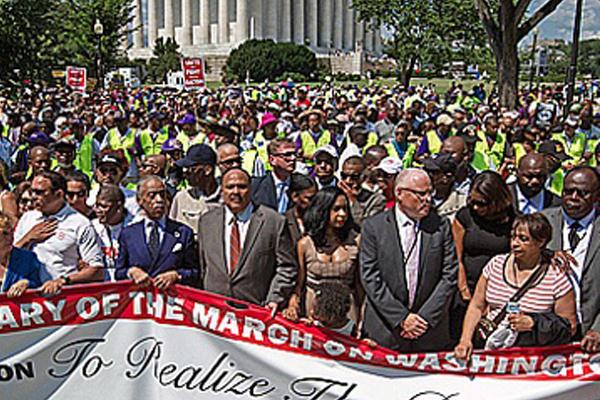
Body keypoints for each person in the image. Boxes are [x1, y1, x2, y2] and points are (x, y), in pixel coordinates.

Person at [360, 169, 458, 352]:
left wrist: (424, 319)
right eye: (421, 194)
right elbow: (370, 277)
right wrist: (401, 318)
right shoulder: (374, 227)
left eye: (430, 193)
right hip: (386, 330)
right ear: (399, 193)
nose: (428, 199)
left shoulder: (441, 226)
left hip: (429, 332)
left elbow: (449, 275)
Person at [454, 214, 576, 360]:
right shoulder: (496, 264)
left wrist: (535, 324)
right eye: (513, 237)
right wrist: (465, 340)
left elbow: (570, 326)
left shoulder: (556, 276)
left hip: (531, 360)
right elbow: (476, 306)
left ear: (541, 242)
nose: (515, 244)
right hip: (491, 353)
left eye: (523, 239)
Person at [197, 168, 297, 311]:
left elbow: (287, 267)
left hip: (255, 312)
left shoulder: (274, 221)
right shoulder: (207, 222)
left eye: (242, 187)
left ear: (250, 189)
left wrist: (275, 298)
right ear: (222, 190)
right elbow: (203, 266)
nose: (236, 192)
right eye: (230, 187)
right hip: (215, 313)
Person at [283, 187, 362, 328]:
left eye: (345, 209)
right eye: (336, 209)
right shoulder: (305, 244)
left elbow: (359, 286)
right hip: (313, 313)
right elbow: (298, 285)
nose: (342, 214)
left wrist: (361, 320)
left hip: (346, 314)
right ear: (323, 210)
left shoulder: (355, 241)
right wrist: (293, 305)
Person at [14, 171, 104, 294]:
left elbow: (96, 270)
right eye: (32, 191)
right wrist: (28, 239)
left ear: (59, 194)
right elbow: (9, 258)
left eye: (40, 192)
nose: (33, 196)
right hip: (29, 299)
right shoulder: (28, 218)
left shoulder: (80, 224)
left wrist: (62, 281)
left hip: (64, 299)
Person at [542, 167, 600, 352]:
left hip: (591, 334)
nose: (573, 197)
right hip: (546, 333)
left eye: (582, 193)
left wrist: (598, 329)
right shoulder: (542, 222)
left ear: (597, 196)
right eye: (568, 191)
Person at [115, 176, 197, 287]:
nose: (159, 200)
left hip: (171, 300)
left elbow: (194, 272)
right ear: (140, 200)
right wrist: (131, 272)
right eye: (152, 196)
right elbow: (119, 273)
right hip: (140, 300)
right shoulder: (128, 234)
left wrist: (176, 275)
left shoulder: (183, 232)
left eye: (162, 195)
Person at [169, 144, 220, 234]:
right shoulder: (181, 198)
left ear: (207, 170)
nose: (185, 174)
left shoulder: (226, 197)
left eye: (191, 169)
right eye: (185, 169)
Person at [92, 184, 131, 281]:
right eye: (97, 205)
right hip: (102, 287)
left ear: (119, 207)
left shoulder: (134, 227)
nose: (97, 210)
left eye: (104, 206)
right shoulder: (92, 227)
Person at [0, 212, 43, 297]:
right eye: (4, 234)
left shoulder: (28, 258)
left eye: (11, 232)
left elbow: (38, 285)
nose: (10, 238)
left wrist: (27, 283)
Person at [251, 139, 296, 214]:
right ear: (272, 160)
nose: (293, 158)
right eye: (287, 155)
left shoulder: (303, 184)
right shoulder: (255, 186)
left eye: (295, 154)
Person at [423, 153, 466, 221]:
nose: (429, 175)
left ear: (446, 178)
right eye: (427, 171)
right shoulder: (421, 197)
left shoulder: (461, 203)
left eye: (434, 172)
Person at [285, 173, 317, 247]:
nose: (313, 202)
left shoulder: (318, 220)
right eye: (309, 198)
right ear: (295, 197)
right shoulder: (283, 221)